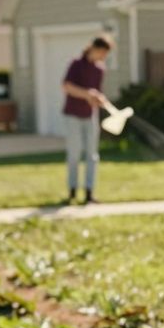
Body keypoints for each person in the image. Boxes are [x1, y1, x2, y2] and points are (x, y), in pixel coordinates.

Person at [61, 34, 113, 204]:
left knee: (92, 154)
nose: (104, 57)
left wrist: (100, 100)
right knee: (74, 153)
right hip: (73, 114)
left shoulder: (100, 69)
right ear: (95, 49)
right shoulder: (76, 64)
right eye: (103, 53)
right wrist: (86, 94)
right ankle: (72, 191)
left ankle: (89, 193)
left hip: (90, 115)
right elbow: (66, 86)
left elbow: (97, 92)